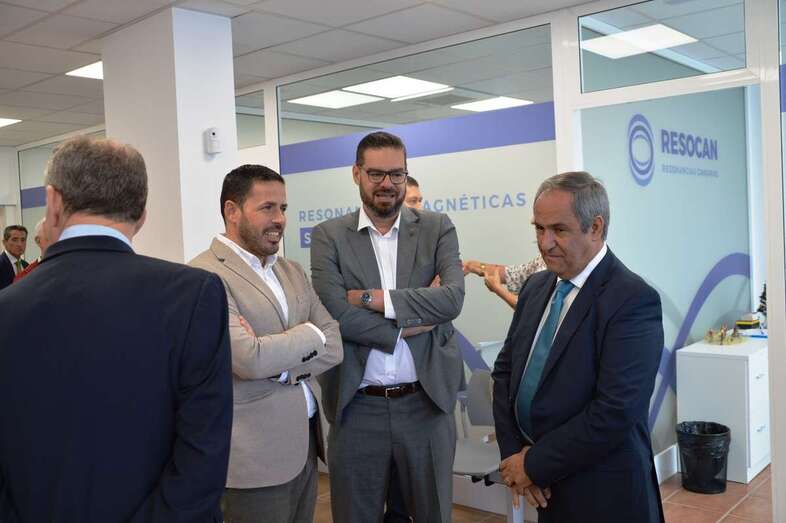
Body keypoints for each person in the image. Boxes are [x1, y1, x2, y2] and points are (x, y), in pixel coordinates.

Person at [0, 136, 233, 522]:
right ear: (142, 214)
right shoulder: (194, 295)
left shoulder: (7, 308)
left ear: (53, 203)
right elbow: (204, 451)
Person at [491, 171, 664, 523]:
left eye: (559, 229)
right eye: (539, 229)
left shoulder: (632, 299)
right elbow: (505, 374)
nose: (545, 243)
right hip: (543, 487)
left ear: (595, 228)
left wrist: (533, 465)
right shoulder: (536, 288)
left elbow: (615, 411)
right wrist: (515, 457)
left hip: (602, 493)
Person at [310, 131, 465, 523]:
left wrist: (371, 298)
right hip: (357, 408)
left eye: (397, 174)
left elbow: (451, 300)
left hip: (426, 406)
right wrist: (404, 327)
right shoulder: (330, 236)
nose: (387, 184)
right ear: (356, 174)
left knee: (433, 515)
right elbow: (336, 313)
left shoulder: (437, 227)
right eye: (376, 174)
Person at [190, 164, 343, 523]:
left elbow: (335, 344)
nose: (279, 219)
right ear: (232, 211)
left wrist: (282, 366)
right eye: (267, 208)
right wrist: (311, 335)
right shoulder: (204, 275)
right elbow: (249, 359)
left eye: (283, 208)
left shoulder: (290, 270)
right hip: (252, 460)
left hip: (305, 447)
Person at [463, 256, 546, 308]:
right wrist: (471, 266)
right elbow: (512, 274)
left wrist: (498, 289)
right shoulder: (542, 260)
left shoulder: (551, 269)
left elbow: (530, 308)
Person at [0, 225, 28, 290]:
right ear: (4, 242)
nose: (20, 244)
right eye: (14, 240)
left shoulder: (27, 266)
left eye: (23, 240)